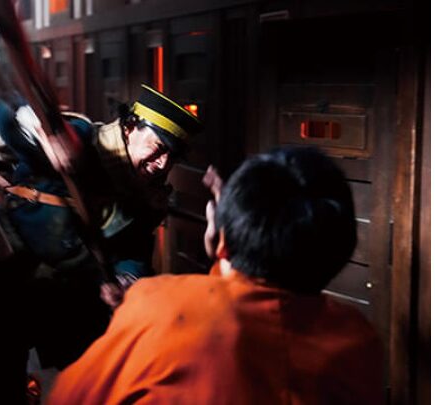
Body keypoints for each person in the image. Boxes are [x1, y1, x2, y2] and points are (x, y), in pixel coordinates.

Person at [0, 84, 202, 403]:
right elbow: (9, 123)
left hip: (69, 299)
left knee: (101, 381)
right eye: (158, 148)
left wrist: (127, 280)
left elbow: (134, 250)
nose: (162, 164)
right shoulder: (81, 137)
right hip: (1, 283)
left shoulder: (147, 194)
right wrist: (37, 130)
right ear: (130, 127)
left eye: (172, 157)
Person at [48, 146, 384, 405]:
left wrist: (138, 316)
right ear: (340, 252)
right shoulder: (358, 339)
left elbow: (68, 397)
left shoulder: (159, 307)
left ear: (221, 242)